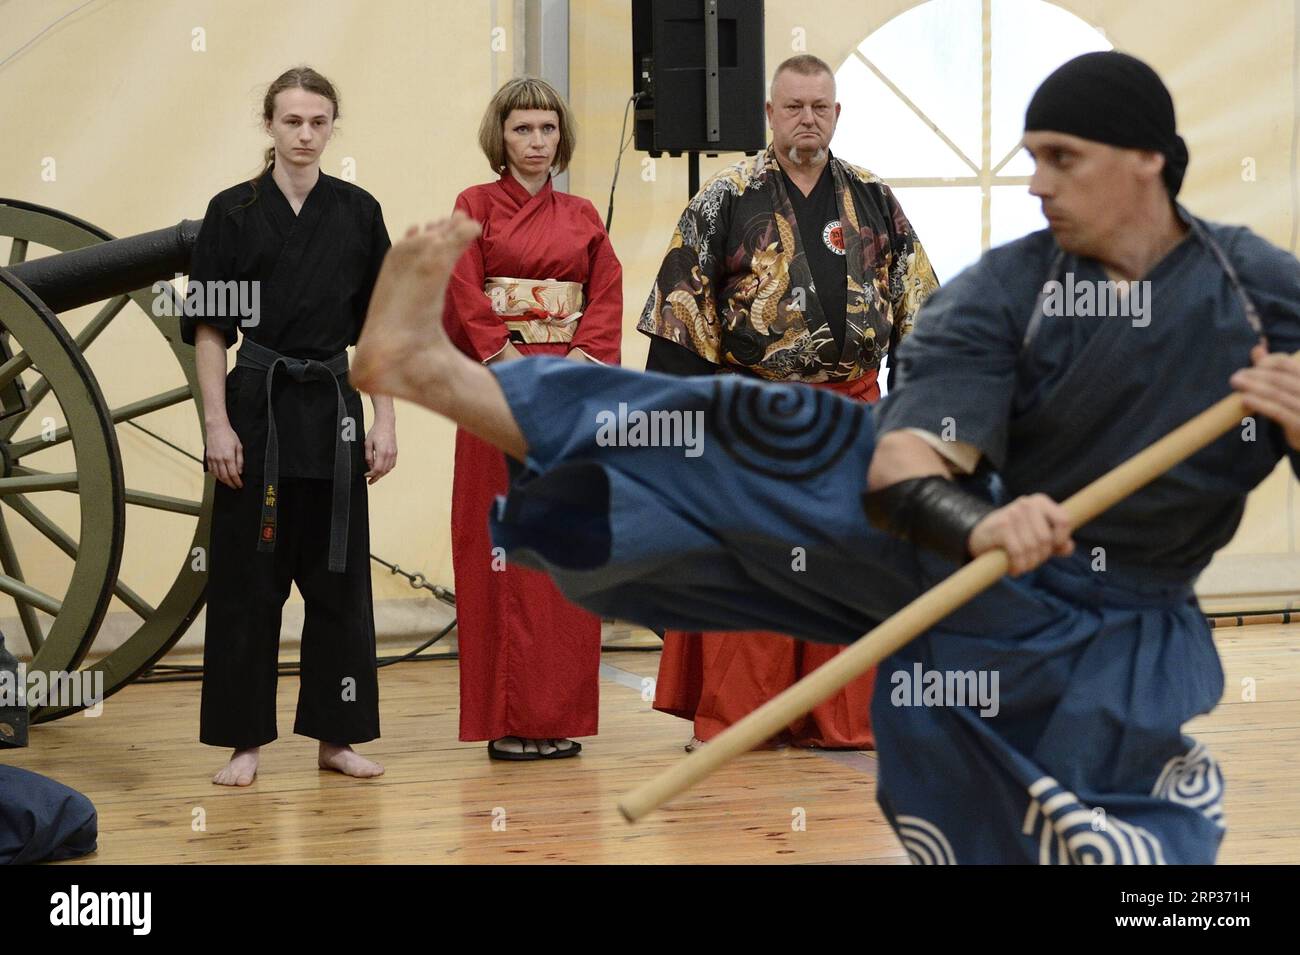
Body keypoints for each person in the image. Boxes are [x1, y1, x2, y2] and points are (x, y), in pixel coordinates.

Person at [351, 51, 1300, 863]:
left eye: (1062, 159)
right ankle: (432, 372)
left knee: (1142, 857)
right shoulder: (1005, 290)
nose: (1036, 183)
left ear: (1147, 161)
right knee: (735, 431)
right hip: (955, 528)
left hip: (1123, 615)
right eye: (1032, 159)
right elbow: (905, 462)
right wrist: (984, 519)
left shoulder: (1256, 292)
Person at [642, 54, 937, 752]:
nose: (808, 118)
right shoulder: (725, 197)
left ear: (837, 114)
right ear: (769, 113)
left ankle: (843, 716)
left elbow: (922, 309)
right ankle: (741, 715)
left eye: (820, 106)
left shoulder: (873, 197)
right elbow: (684, 315)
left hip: (855, 411)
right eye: (794, 106)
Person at [183, 66, 393, 786]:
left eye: (318, 121)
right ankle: (245, 742)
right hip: (257, 404)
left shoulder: (359, 213)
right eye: (292, 121)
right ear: (268, 126)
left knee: (337, 578)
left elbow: (380, 329)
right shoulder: (231, 213)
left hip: (334, 405)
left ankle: (336, 738)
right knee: (249, 579)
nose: (305, 135)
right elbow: (211, 329)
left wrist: (385, 419)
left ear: (333, 126)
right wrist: (216, 423)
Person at [442, 77, 621, 760]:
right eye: (523, 129)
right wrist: (508, 355)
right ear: (502, 136)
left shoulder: (582, 217)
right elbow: (462, 288)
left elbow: (604, 295)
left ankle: (557, 715)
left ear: (561, 137)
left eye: (547, 129)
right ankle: (508, 717)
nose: (537, 142)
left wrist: (574, 358)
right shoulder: (474, 206)